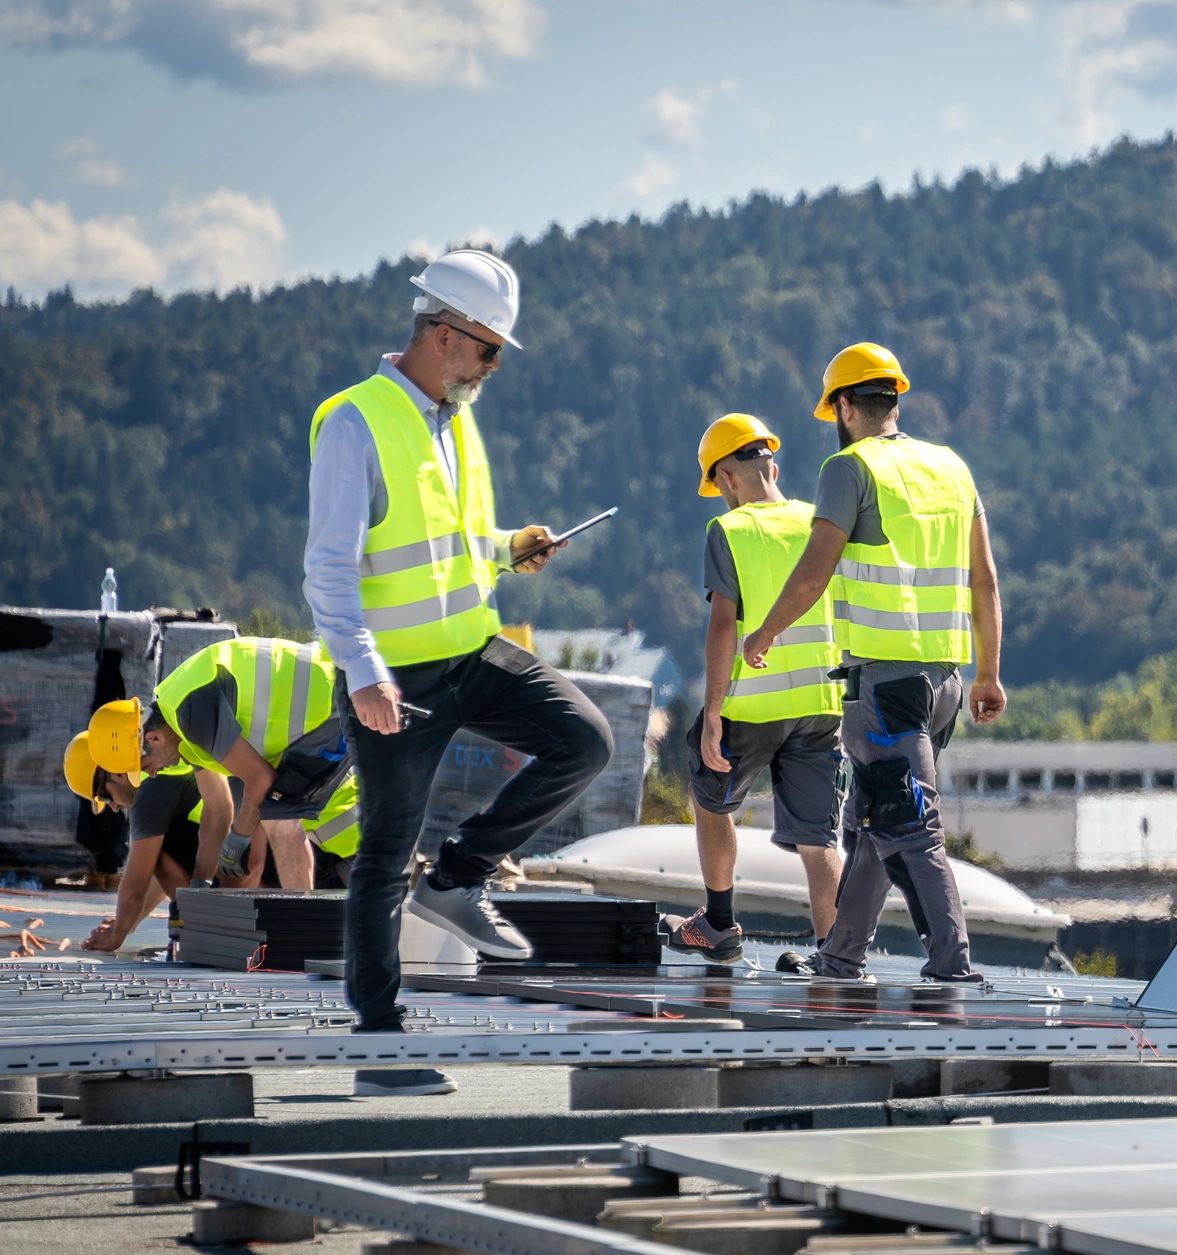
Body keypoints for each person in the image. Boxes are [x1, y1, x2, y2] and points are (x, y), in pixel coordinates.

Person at [304, 248, 614, 1095]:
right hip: (395, 679)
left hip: (471, 651)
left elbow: (447, 547)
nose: (494, 368)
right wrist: (363, 674)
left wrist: (510, 549)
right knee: (380, 854)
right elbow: (328, 568)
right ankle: (380, 1042)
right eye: (488, 351)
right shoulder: (356, 422)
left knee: (584, 741)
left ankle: (459, 879)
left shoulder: (454, 419)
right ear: (444, 336)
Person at [740, 342, 1005, 983]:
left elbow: (813, 572)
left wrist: (766, 632)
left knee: (912, 828)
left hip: (884, 686)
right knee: (872, 826)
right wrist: (990, 673)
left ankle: (953, 966)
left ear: (845, 406)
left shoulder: (848, 468)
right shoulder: (952, 468)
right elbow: (985, 581)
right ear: (895, 397)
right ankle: (840, 955)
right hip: (943, 680)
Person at [673, 413, 843, 960]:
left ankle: (719, 924)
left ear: (724, 477)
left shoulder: (729, 530)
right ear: (771, 461)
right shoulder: (820, 521)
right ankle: (835, 953)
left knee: (711, 797)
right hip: (821, 703)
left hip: (752, 703)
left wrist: (714, 712)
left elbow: (724, 626)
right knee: (819, 839)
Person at [84, 636, 350, 893]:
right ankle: (303, 920)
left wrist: (238, 838)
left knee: (282, 817)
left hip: (330, 708)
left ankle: (304, 929)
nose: (150, 774)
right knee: (276, 812)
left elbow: (261, 781)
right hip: (323, 709)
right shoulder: (182, 732)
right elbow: (241, 791)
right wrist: (208, 879)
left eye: (144, 766)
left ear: (153, 738)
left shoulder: (190, 712)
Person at [64, 735, 211, 953]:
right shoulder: (166, 771)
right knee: (155, 853)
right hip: (248, 881)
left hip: (241, 892)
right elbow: (164, 873)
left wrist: (115, 938)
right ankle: (204, 932)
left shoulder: (151, 789)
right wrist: (127, 924)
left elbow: (136, 885)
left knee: (152, 854)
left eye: (104, 796)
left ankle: (204, 935)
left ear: (115, 771)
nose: (113, 807)